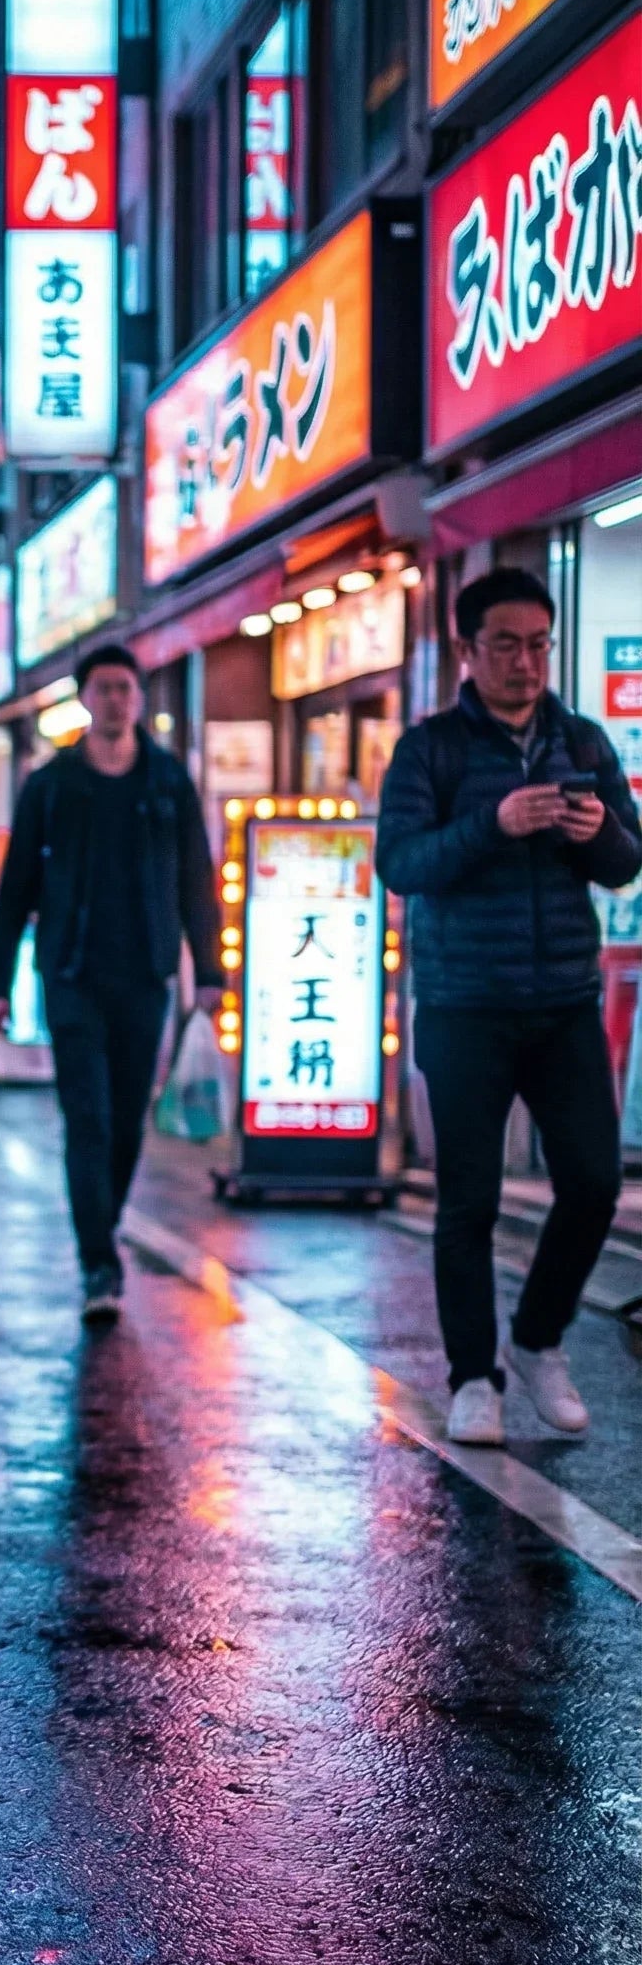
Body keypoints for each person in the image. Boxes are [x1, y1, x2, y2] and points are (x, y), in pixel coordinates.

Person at [378, 566, 642, 1447]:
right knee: (469, 1201)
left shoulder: (585, 741)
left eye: (538, 645)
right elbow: (401, 864)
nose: (526, 663)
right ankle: (471, 1377)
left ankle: (536, 1340)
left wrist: (595, 830)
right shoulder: (431, 750)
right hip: (463, 1006)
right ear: (467, 650)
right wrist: (495, 823)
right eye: (506, 646)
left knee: (595, 1184)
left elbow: (626, 860)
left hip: (564, 999)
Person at [0, 645, 221, 1323]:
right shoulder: (51, 783)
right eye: (105, 689)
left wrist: (208, 972)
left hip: (146, 976)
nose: (118, 700)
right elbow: (15, 891)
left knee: (124, 1124)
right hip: (71, 976)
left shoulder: (167, 781)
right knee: (86, 1119)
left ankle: (101, 1232)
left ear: (139, 698)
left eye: (127, 688)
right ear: (86, 699)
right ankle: (98, 1261)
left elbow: (196, 881)